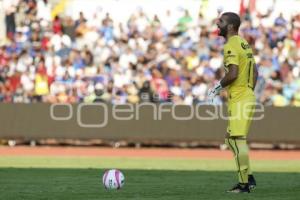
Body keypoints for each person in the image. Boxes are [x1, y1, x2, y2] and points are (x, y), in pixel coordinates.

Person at [208, 12, 258, 193]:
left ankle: (244, 185)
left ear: (229, 27)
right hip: (245, 96)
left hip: (240, 98)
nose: (217, 23)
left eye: (220, 21)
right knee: (230, 140)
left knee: (237, 140)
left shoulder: (230, 45)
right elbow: (255, 72)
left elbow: (233, 73)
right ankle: (250, 177)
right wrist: (249, 90)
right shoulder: (244, 43)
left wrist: (217, 87)